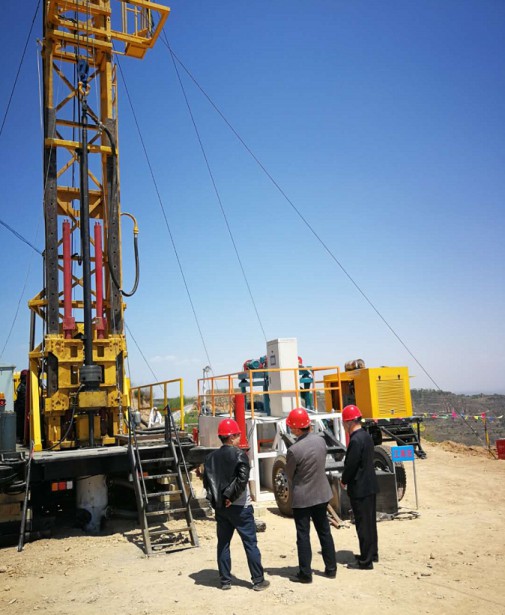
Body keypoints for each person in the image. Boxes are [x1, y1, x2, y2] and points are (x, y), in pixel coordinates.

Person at [203, 417, 269, 591]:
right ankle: (258, 580)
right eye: (238, 435)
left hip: (221, 509)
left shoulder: (210, 458)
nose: (240, 438)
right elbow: (242, 479)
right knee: (250, 543)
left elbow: (207, 483)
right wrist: (230, 497)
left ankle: (225, 581)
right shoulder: (240, 455)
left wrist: (219, 501)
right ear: (231, 437)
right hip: (240, 508)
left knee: (223, 544)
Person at [285, 407, 337, 583]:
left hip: (303, 498)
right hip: (321, 494)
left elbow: (289, 474)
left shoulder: (294, 450)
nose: (291, 429)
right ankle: (331, 569)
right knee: (324, 532)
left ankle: (305, 574)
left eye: (292, 427)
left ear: (297, 429)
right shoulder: (320, 441)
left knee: (303, 535)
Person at [340, 404, 379, 570]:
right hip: (370, 485)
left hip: (360, 487)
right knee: (370, 523)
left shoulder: (355, 440)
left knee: (363, 525)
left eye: (344, 423)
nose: (343, 426)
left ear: (349, 422)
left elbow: (351, 464)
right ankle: (372, 553)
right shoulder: (366, 436)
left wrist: (344, 480)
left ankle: (365, 561)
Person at [14, 370, 28, 444]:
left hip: (21, 408)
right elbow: (24, 399)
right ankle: (20, 438)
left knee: (21, 423)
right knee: (21, 424)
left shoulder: (21, 386)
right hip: (21, 409)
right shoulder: (23, 387)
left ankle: (21, 437)